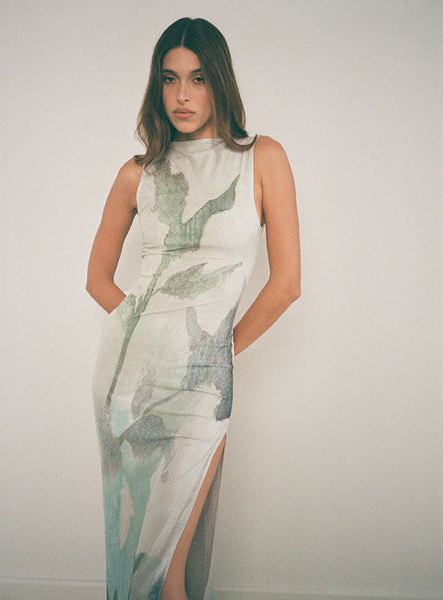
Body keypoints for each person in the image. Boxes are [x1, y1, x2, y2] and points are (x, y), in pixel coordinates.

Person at [86, 16, 300, 600]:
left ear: (219, 82)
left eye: (198, 78)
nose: (182, 94)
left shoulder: (262, 158)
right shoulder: (138, 172)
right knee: (142, 572)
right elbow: (97, 279)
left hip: (204, 382)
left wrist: (213, 353)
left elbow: (286, 284)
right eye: (169, 78)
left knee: (166, 571)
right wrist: (148, 335)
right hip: (127, 380)